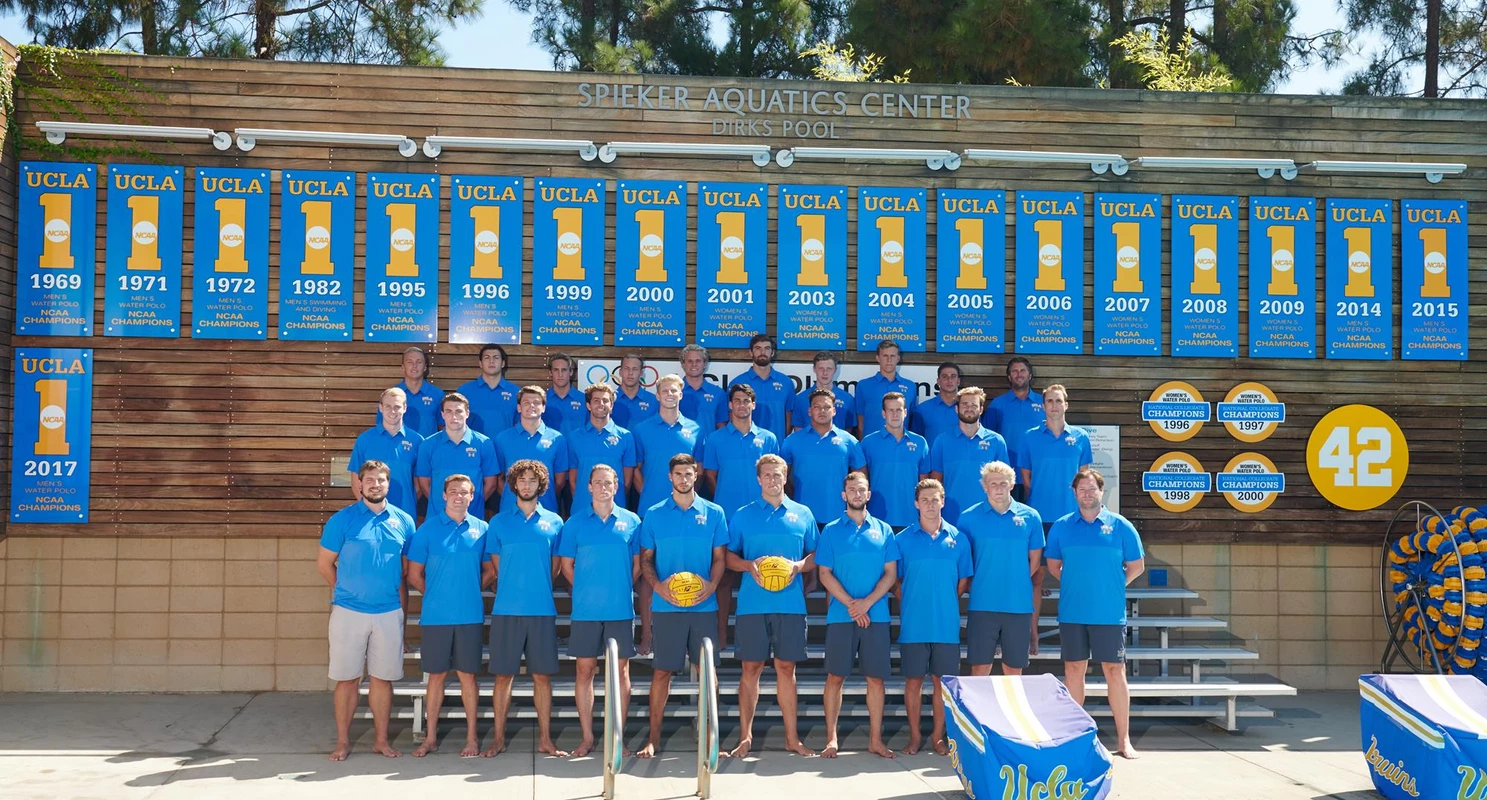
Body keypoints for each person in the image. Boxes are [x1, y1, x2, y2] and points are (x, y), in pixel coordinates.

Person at [316, 460, 415, 761]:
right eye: (369, 479)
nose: (374, 484)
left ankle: (381, 741)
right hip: (348, 612)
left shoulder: (404, 521)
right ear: (359, 484)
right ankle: (343, 741)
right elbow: (324, 564)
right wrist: (346, 590)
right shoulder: (341, 520)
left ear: (388, 484)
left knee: (382, 680)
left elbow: (405, 575)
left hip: (388, 613)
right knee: (347, 679)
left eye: (380, 479)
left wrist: (402, 618)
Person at [1046, 467, 1145, 760]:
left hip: (1108, 614)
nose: (1087, 494)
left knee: (1115, 671)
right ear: (1074, 493)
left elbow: (1136, 566)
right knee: (1074, 671)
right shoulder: (1062, 527)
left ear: (1102, 492)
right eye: (1082, 490)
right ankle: (1075, 739)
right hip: (1073, 613)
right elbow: (1053, 566)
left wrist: (1112, 586)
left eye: (1092, 489)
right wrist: (1079, 585)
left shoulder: (1121, 526)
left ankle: (1124, 740)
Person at [636, 454, 728, 759]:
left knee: (707, 671)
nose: (684, 479)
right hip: (667, 607)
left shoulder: (714, 513)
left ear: (696, 475)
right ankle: (654, 739)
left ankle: (710, 736)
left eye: (689, 474)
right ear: (670, 477)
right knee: (662, 672)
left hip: (704, 607)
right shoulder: (654, 514)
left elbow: (719, 559)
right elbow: (647, 560)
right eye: (678, 474)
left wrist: (711, 587)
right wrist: (660, 587)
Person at [725, 454, 817, 759]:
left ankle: (792, 738)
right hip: (753, 605)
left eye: (777, 475)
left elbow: (816, 555)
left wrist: (798, 566)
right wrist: (749, 565)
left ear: (785, 475)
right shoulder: (742, 515)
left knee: (785, 668)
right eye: (766, 475)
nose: (772, 480)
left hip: (790, 604)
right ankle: (745, 737)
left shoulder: (802, 514)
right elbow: (728, 557)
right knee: (750, 668)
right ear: (758, 479)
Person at [484, 459, 567, 758]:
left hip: (542, 610)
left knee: (542, 677)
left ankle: (545, 739)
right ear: (514, 485)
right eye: (522, 480)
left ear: (540, 485)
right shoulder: (499, 523)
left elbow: (556, 568)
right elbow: (496, 567)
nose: (527, 484)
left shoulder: (555, 523)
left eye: (533, 480)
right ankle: (498, 739)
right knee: (503, 676)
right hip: (507, 610)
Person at [558, 464, 642, 759]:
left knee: (620, 672)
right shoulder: (574, 523)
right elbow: (566, 566)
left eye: (609, 482)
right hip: (586, 611)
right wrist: (585, 587)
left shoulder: (632, 522)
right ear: (589, 487)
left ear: (616, 486)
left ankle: (618, 738)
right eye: (598, 482)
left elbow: (637, 566)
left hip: (620, 609)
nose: (603, 487)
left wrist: (618, 586)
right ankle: (587, 737)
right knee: (585, 671)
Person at [815, 472, 898, 760]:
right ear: (843, 495)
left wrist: (867, 604)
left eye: (861, 489)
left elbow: (891, 574)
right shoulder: (830, 531)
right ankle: (831, 739)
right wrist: (852, 605)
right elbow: (824, 574)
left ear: (869, 494)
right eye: (851, 489)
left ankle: (875, 740)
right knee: (835, 677)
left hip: (876, 616)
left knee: (876, 679)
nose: (856, 494)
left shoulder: (884, 530)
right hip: (841, 616)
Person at [406, 474, 489, 758]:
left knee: (468, 677)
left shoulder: (482, 529)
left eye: (464, 492)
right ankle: (429, 738)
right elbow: (414, 574)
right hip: (436, 617)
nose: (458, 496)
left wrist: (470, 589)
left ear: (472, 496)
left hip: (469, 616)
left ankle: (472, 739)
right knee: (436, 677)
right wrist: (437, 593)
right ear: (443, 495)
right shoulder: (426, 531)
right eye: (453, 491)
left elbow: (490, 570)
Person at [894, 478, 972, 757]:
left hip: (946, 626)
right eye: (924, 500)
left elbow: (964, 581)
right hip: (914, 626)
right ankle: (915, 737)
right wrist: (915, 601)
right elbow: (895, 580)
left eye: (934, 499)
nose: (930, 504)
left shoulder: (958, 539)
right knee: (913, 682)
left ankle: (938, 737)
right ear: (916, 503)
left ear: (943, 502)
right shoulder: (901, 539)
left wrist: (945, 600)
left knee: (942, 683)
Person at [700, 382, 778, 648]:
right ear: (730, 405)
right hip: (730, 518)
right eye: (737, 401)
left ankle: (767, 641)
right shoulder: (715, 438)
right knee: (724, 578)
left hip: (762, 518)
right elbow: (710, 475)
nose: (742, 405)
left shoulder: (768, 438)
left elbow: (774, 476)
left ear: (753, 405)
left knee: (765, 572)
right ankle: (721, 635)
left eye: (747, 400)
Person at [630, 374, 703, 655]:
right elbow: (635, 470)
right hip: (653, 511)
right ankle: (648, 635)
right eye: (665, 391)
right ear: (657, 395)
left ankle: (690, 637)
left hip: (685, 511)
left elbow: (702, 471)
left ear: (681, 395)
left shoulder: (696, 429)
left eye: (675, 390)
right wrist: (650, 495)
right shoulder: (641, 429)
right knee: (648, 575)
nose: (670, 394)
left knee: (686, 570)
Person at [1016, 384, 1092, 649]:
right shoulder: (1029, 437)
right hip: (1039, 517)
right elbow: (1025, 477)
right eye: (1049, 401)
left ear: (1066, 405)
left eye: (1059, 401)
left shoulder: (1081, 437)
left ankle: (1080, 634)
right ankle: (1030, 634)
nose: (1054, 405)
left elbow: (1084, 476)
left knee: (1073, 574)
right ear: (1043, 405)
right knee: (1036, 576)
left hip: (1072, 518)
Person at [957, 462, 1043, 677]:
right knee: (980, 668)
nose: (998, 488)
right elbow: (964, 561)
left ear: (1012, 485)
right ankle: (980, 713)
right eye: (992, 484)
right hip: (982, 604)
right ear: (984, 486)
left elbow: (1035, 560)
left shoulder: (1030, 517)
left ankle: (1010, 712)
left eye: (1003, 483)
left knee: (1014, 669)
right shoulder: (968, 518)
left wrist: (1016, 580)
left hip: (1018, 605)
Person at [780, 388, 866, 523]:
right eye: (817, 407)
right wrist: (795, 498)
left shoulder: (850, 441)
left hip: (839, 518)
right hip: (801, 518)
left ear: (834, 411)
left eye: (827, 407)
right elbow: (780, 479)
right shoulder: (792, 441)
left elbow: (861, 480)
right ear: (809, 411)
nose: (822, 411)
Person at [927, 387, 1008, 524]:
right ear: (956, 409)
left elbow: (1004, 482)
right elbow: (936, 483)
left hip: (988, 516)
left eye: (974, 405)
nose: (969, 408)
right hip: (951, 516)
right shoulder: (942, 441)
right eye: (964, 404)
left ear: (981, 409)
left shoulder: (996, 441)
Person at [415, 393, 499, 512]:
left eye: (459, 411)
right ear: (442, 415)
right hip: (437, 517)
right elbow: (424, 484)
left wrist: (470, 505)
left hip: (473, 517)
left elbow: (491, 484)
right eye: (449, 411)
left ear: (467, 414)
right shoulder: (427, 444)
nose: (454, 416)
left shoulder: (484, 443)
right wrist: (446, 507)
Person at [348, 387, 422, 519]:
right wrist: (367, 508)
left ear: (405, 408)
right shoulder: (365, 439)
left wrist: (406, 504)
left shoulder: (417, 441)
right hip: (370, 515)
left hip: (404, 514)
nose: (392, 411)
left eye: (397, 407)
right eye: (388, 406)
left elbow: (419, 484)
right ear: (380, 408)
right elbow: (355, 481)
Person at [860, 392, 929, 530]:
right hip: (876, 518)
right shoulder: (868, 442)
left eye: (898, 410)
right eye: (890, 410)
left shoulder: (920, 443)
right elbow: (862, 480)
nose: (895, 414)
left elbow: (924, 484)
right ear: (883, 414)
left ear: (905, 412)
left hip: (912, 518)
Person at [492, 386, 567, 512]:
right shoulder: (502, 438)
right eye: (526, 402)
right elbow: (498, 479)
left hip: (546, 510)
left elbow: (559, 481)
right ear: (519, 408)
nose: (531, 406)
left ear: (543, 408)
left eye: (536, 403)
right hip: (509, 511)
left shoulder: (557, 439)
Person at [566, 382, 637, 514]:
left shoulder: (626, 436)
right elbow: (573, 480)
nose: (601, 404)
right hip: (582, 510)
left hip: (615, 510)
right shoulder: (574, 437)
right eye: (596, 400)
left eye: (605, 400)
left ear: (611, 406)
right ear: (588, 405)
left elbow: (627, 482)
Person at [983, 357, 1045, 496]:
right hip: (1007, 476)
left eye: (1022, 371)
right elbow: (989, 439)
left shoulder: (1045, 403)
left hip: (1039, 473)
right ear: (1009, 377)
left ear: (1030, 375)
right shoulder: (997, 405)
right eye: (1014, 371)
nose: (1019, 374)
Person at [730, 333, 793, 441]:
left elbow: (789, 416)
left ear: (772, 352)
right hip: (746, 446)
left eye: (767, 348)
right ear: (751, 352)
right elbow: (731, 416)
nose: (762, 352)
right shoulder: (737, 383)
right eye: (758, 348)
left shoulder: (786, 383)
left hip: (776, 446)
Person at [854, 339, 919, 438]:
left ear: (898, 358)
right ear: (878, 358)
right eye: (885, 356)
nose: (889, 360)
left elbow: (910, 419)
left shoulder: (910, 387)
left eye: (892, 356)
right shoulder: (863, 385)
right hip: (872, 446)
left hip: (901, 445)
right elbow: (860, 422)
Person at [459, 344, 521, 443]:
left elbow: (520, 425)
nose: (491, 361)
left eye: (496, 358)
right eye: (487, 358)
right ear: (480, 363)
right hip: (472, 449)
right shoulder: (465, 391)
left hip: (505, 448)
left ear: (503, 363)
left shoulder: (516, 392)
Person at [379, 347, 442, 438]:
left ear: (425, 367)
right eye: (409, 362)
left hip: (428, 451)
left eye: (419, 362)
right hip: (399, 450)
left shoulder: (438, 395)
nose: (414, 365)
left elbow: (443, 427)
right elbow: (381, 427)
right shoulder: (389, 396)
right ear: (403, 367)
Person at [786, 351, 855, 432]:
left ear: (835, 370)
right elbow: (798, 431)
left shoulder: (847, 399)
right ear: (814, 369)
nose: (825, 373)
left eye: (829, 369)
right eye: (821, 368)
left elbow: (848, 432)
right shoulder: (800, 399)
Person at [911, 362, 963, 447]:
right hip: (932, 460)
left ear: (958, 381)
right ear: (938, 381)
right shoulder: (922, 410)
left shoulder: (968, 410)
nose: (949, 380)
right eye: (945, 376)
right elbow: (916, 443)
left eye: (953, 376)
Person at [679, 343, 728, 429]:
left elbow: (721, 428)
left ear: (705, 363)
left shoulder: (718, 393)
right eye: (690, 361)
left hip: (708, 442)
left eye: (698, 361)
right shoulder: (673, 392)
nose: (694, 364)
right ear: (683, 364)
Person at [543, 352, 589, 434]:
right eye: (556, 370)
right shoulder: (541, 400)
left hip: (577, 447)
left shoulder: (584, 400)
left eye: (564, 370)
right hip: (549, 446)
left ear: (571, 372)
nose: (560, 374)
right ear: (550, 373)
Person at [612, 353, 658, 428]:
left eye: (635, 369)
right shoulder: (608, 400)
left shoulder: (654, 401)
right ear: (620, 372)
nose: (630, 373)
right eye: (627, 368)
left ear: (641, 373)